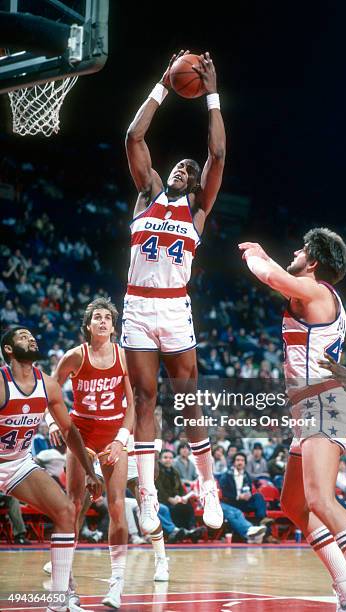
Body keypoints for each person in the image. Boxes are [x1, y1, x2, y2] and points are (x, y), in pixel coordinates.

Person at [239, 229, 346, 611]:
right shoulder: (312, 295)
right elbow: (282, 280)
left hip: (323, 403)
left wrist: (255, 252)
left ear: (312, 261)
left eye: (300, 249)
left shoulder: (315, 292)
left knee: (321, 500)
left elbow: (270, 276)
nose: (293, 251)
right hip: (309, 408)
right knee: (294, 503)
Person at [122, 49, 226, 534]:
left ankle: (208, 484)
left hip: (174, 310)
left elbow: (218, 154)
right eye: (179, 166)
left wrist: (211, 94)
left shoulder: (198, 212)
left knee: (187, 402)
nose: (184, 169)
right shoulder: (148, 193)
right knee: (145, 400)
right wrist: (164, 83)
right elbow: (134, 136)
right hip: (138, 307)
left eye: (191, 167)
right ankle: (145, 493)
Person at [0, 327, 101, 612]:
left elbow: (70, 432)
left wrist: (90, 472)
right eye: (22, 336)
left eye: (31, 335)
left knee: (67, 512)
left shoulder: (48, 385)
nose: (30, 338)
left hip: (18, 463)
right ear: (8, 349)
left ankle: (57, 603)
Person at [45, 298, 134, 609]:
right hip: (80, 433)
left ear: (113, 325)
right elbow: (50, 389)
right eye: (97, 317)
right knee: (73, 505)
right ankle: (66, 586)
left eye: (107, 318)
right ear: (88, 325)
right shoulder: (74, 356)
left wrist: (122, 440)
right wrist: (49, 421)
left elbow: (134, 406)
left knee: (118, 506)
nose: (103, 322)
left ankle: (117, 586)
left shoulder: (125, 357)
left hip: (113, 434)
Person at [220, 453, 268, 523]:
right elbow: (224, 493)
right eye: (238, 460)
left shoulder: (247, 475)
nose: (240, 462)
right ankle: (259, 523)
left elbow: (249, 490)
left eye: (242, 460)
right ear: (234, 462)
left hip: (244, 503)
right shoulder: (227, 475)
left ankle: (262, 520)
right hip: (232, 503)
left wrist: (248, 495)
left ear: (245, 463)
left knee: (258, 496)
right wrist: (238, 497)